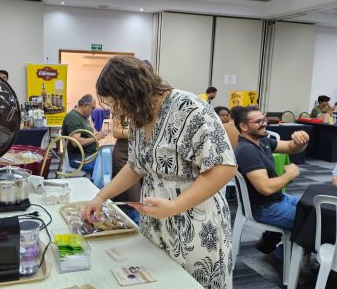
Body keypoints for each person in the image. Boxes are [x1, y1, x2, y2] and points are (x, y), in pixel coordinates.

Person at [83, 56, 237, 288]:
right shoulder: (137, 116)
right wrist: (101, 197)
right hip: (157, 222)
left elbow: (223, 168)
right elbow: (135, 165)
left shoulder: (190, 108)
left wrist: (175, 207)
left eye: (117, 102)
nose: (116, 110)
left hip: (195, 225)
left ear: (133, 90)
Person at [231, 106, 309, 262]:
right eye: (259, 121)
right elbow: (266, 188)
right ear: (244, 127)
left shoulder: (262, 141)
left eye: (264, 119)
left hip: (277, 199)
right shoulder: (246, 150)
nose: (265, 123)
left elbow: (291, 148)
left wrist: (303, 139)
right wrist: (289, 175)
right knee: (314, 223)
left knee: (312, 208)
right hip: (264, 208)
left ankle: (269, 239)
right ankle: (279, 256)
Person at [61, 94, 107, 173]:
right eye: (92, 108)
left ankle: (101, 184)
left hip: (88, 156)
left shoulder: (83, 117)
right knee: (105, 167)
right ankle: (100, 185)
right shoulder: (73, 117)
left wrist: (98, 134)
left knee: (112, 161)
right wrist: (97, 137)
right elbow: (76, 142)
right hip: (79, 159)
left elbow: (89, 135)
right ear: (85, 105)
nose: (93, 111)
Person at [110, 115, 142, 224]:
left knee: (144, 196)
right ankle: (129, 225)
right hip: (124, 153)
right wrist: (139, 132)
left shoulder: (147, 106)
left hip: (142, 154)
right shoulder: (120, 107)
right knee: (130, 196)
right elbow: (116, 132)